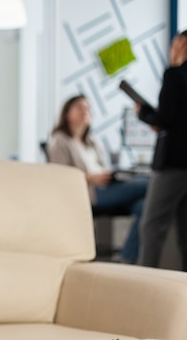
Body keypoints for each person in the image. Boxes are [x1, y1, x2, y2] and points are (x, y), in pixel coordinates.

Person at [136, 26, 187, 273]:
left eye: (174, 42)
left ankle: (141, 284)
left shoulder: (175, 74)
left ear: (183, 43)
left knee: (152, 225)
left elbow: (164, 119)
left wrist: (143, 113)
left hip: (175, 162)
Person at [47, 95, 148, 264]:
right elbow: (61, 177)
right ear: (66, 114)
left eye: (87, 108)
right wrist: (92, 178)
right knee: (151, 183)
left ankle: (126, 258)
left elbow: (102, 167)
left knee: (146, 205)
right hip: (89, 192)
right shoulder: (60, 141)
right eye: (79, 107)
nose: (85, 111)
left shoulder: (90, 142)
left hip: (106, 187)